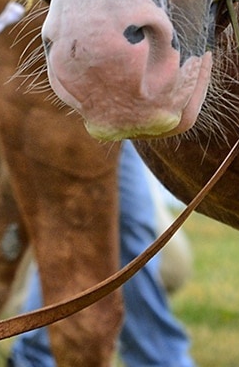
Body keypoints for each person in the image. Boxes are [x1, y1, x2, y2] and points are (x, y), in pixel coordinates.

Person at [10, 143, 196, 367]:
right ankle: (34, 356)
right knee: (94, 224)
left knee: (127, 226)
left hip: (118, 121)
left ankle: (32, 356)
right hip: (76, 118)